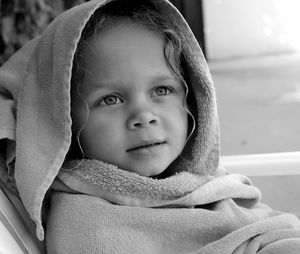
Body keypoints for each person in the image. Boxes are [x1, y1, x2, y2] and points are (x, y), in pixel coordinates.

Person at [0, 0, 300, 253]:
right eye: (111, 99)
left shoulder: (201, 183)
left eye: (161, 90)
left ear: (192, 97)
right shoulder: (88, 227)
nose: (144, 116)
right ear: (63, 120)